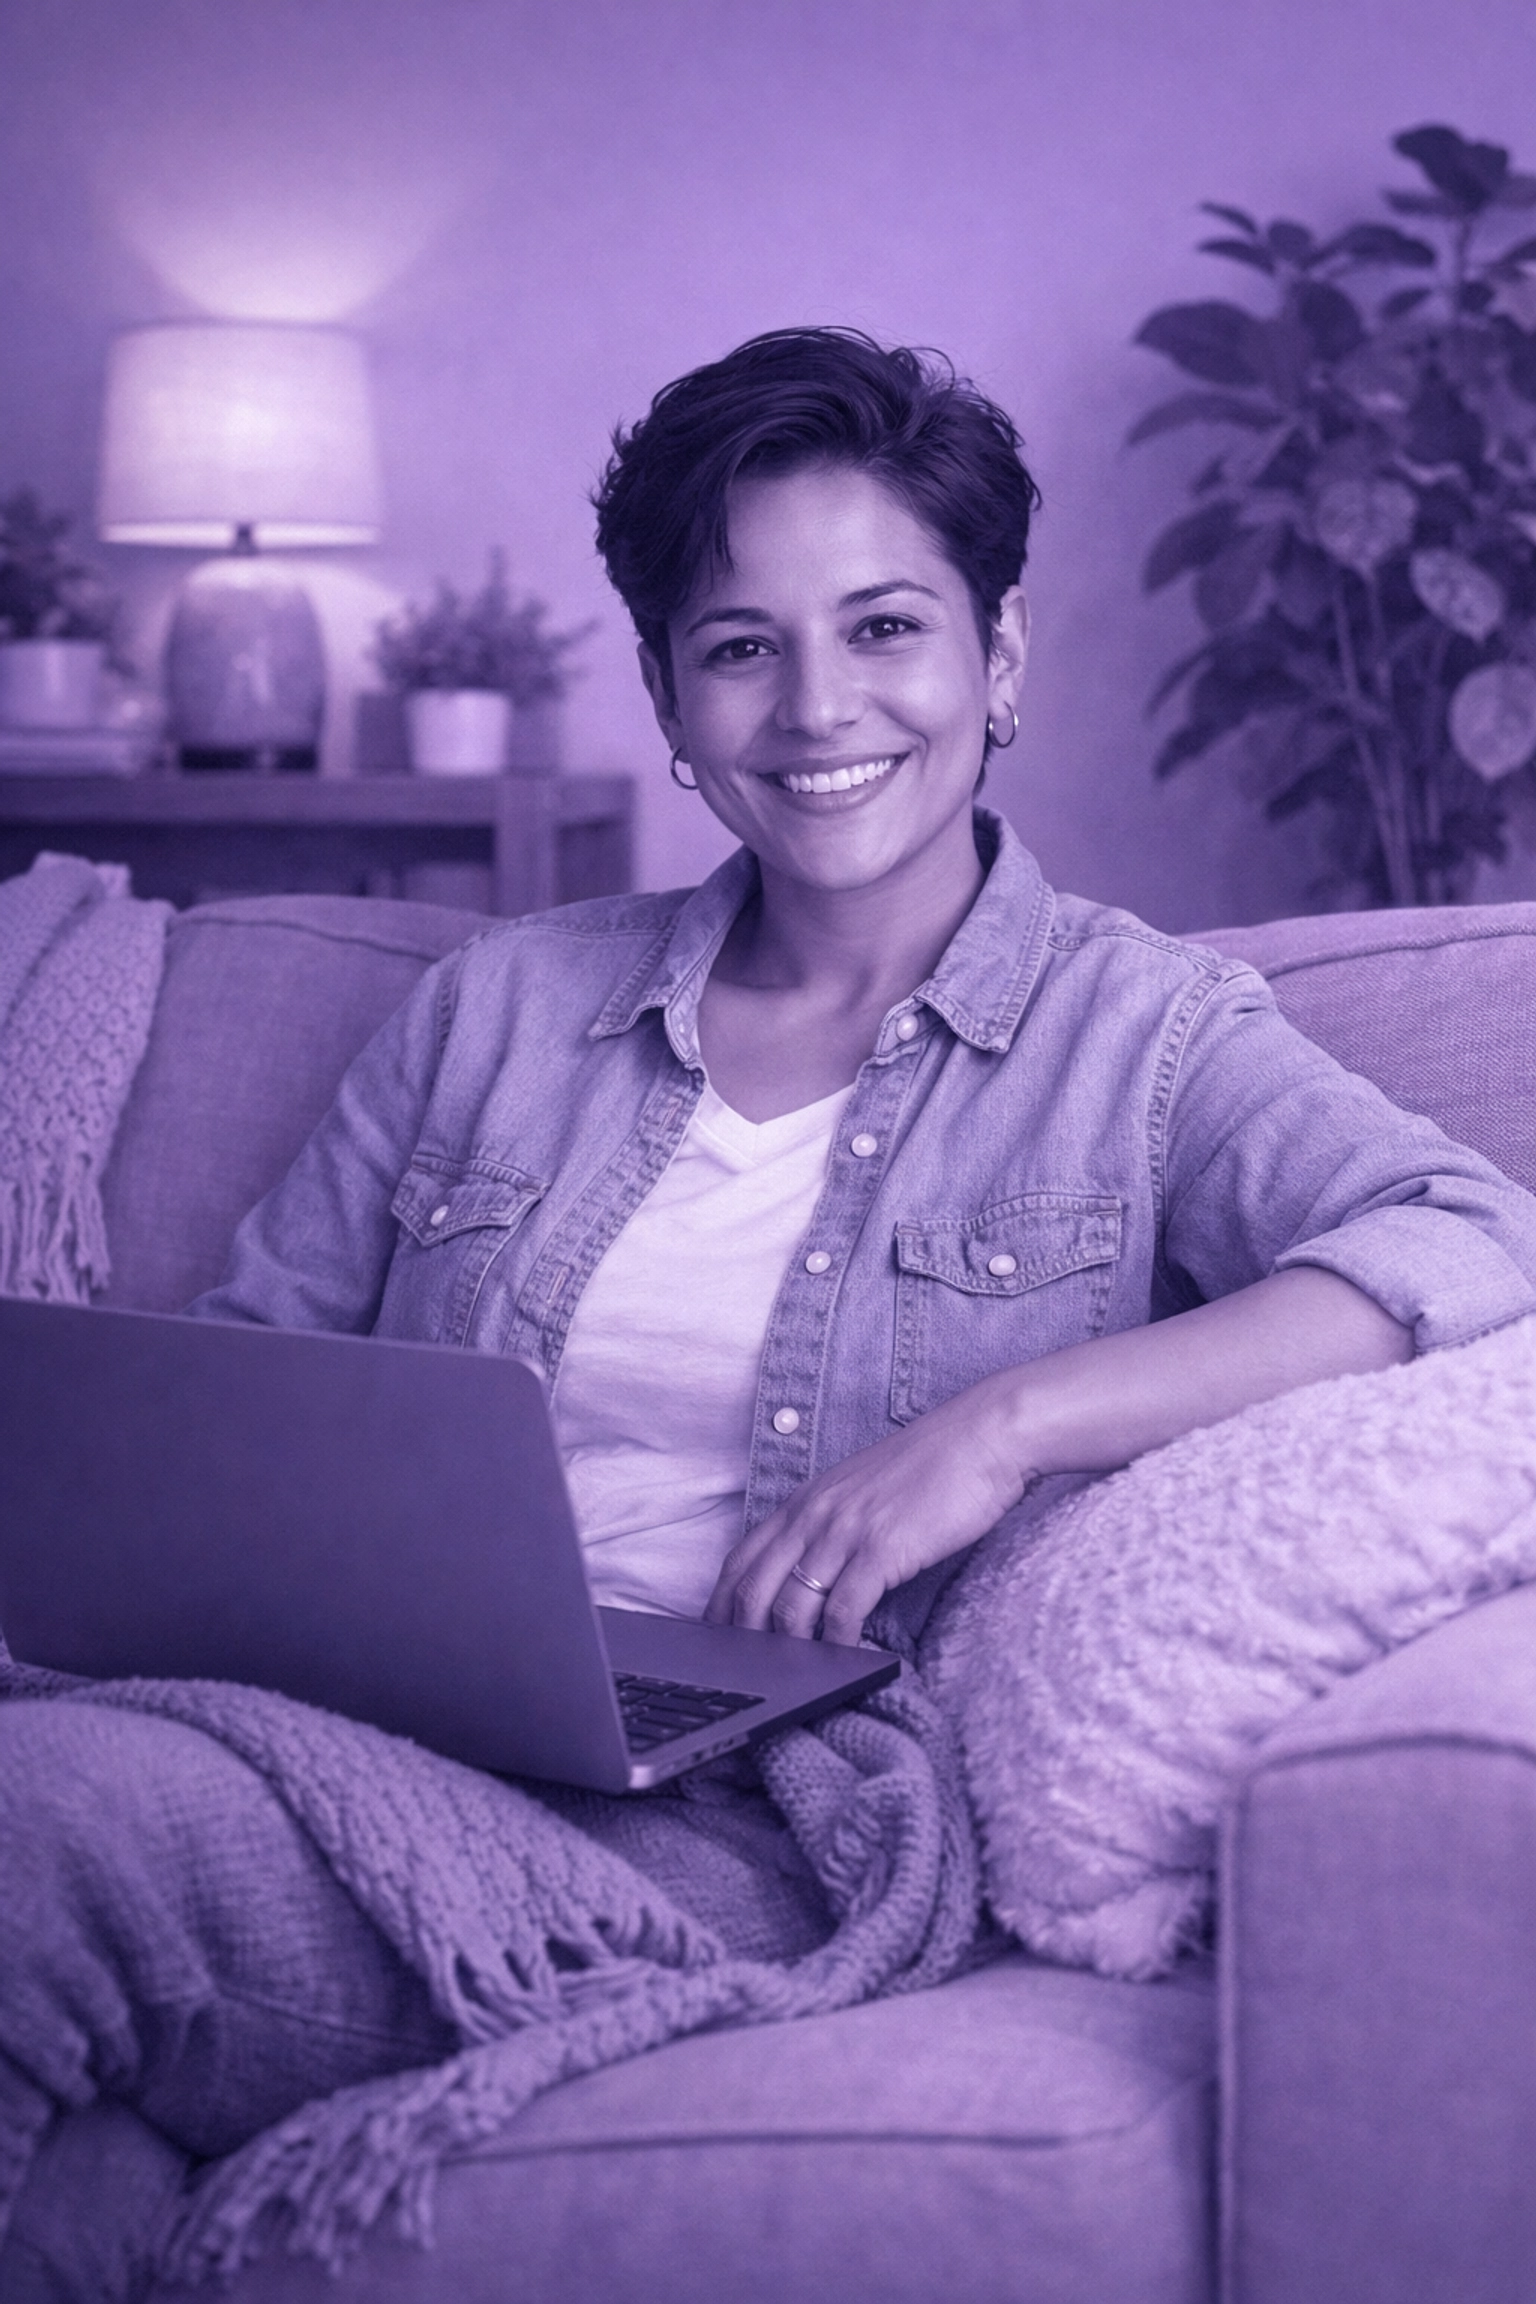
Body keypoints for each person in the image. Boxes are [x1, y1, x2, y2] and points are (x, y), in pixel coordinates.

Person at [4, 326, 1536, 2296]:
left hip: (736, 1819)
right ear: (667, 696)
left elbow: (1471, 1234)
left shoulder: (1141, 1036)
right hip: (335, 1721)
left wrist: (999, 1429)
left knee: (31, 1846)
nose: (819, 708)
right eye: (739, 647)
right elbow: (234, 1386)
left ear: (996, 660)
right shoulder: (498, 1007)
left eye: (887, 628)